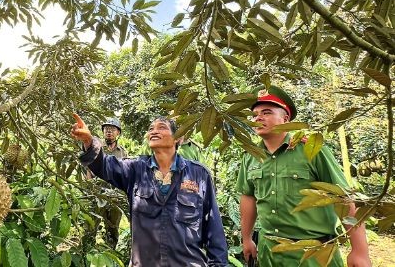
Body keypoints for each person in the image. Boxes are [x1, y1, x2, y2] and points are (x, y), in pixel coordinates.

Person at [236, 85, 371, 267]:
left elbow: (343, 197)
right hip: (270, 253)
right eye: (255, 114)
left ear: (285, 118)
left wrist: (359, 251)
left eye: (267, 112)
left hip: (313, 254)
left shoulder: (312, 150)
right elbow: (248, 197)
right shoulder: (251, 157)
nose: (258, 117)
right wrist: (246, 238)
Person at [71, 114, 228, 266]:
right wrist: (88, 141)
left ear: (177, 137)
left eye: (161, 127)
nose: (153, 131)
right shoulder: (135, 169)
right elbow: (104, 166)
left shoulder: (199, 174)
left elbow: (214, 230)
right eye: (151, 128)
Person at [87, 118, 127, 249]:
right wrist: (90, 189)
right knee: (91, 224)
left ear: (118, 133)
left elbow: (125, 171)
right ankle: (85, 252)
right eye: (106, 129)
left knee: (113, 226)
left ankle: (111, 252)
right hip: (98, 193)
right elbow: (89, 168)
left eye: (112, 129)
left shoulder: (122, 152)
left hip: (115, 195)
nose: (109, 132)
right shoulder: (97, 148)